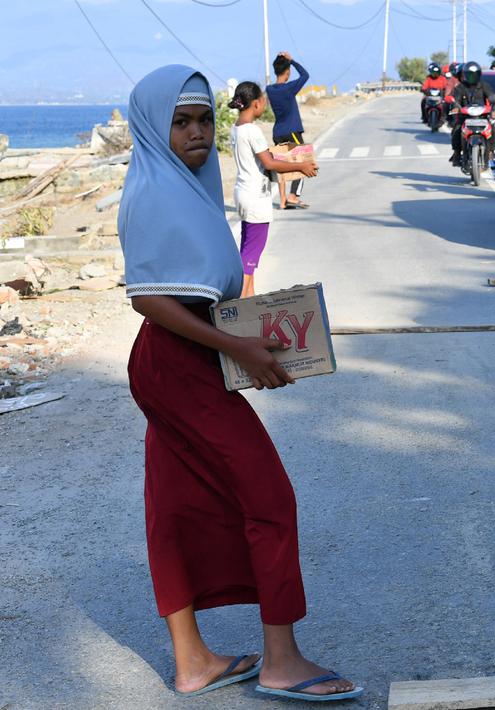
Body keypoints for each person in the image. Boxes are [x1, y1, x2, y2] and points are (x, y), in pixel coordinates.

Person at [118, 64, 359, 701]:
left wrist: (250, 340)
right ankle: (282, 660)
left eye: (203, 120)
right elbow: (148, 298)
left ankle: (192, 660)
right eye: (180, 121)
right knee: (269, 499)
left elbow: (196, 288)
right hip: (177, 362)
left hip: (188, 356)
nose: (196, 133)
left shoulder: (184, 184)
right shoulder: (154, 193)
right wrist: (238, 349)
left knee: (171, 506)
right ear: (151, 125)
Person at [228, 82, 318, 298]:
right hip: (255, 199)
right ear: (256, 103)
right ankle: (239, 307)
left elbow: (263, 158)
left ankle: (249, 302)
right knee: (249, 262)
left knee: (247, 254)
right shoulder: (252, 130)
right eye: (264, 100)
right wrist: (300, 166)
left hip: (243, 193)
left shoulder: (237, 127)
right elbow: (269, 164)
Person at [265, 52, 310, 210]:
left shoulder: (269, 89)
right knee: (305, 161)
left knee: (281, 165)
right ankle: (293, 196)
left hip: (278, 132)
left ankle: (283, 200)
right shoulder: (289, 88)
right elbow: (305, 75)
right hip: (292, 131)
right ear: (288, 72)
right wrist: (293, 61)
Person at [449, 61, 495, 166]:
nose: (472, 77)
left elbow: (493, 99)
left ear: (479, 74)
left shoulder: (484, 86)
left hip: (482, 116)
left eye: (474, 74)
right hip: (464, 117)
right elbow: (456, 101)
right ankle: (457, 153)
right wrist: (456, 107)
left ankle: (490, 151)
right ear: (465, 74)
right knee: (456, 130)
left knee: (493, 129)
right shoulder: (460, 87)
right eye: (470, 74)